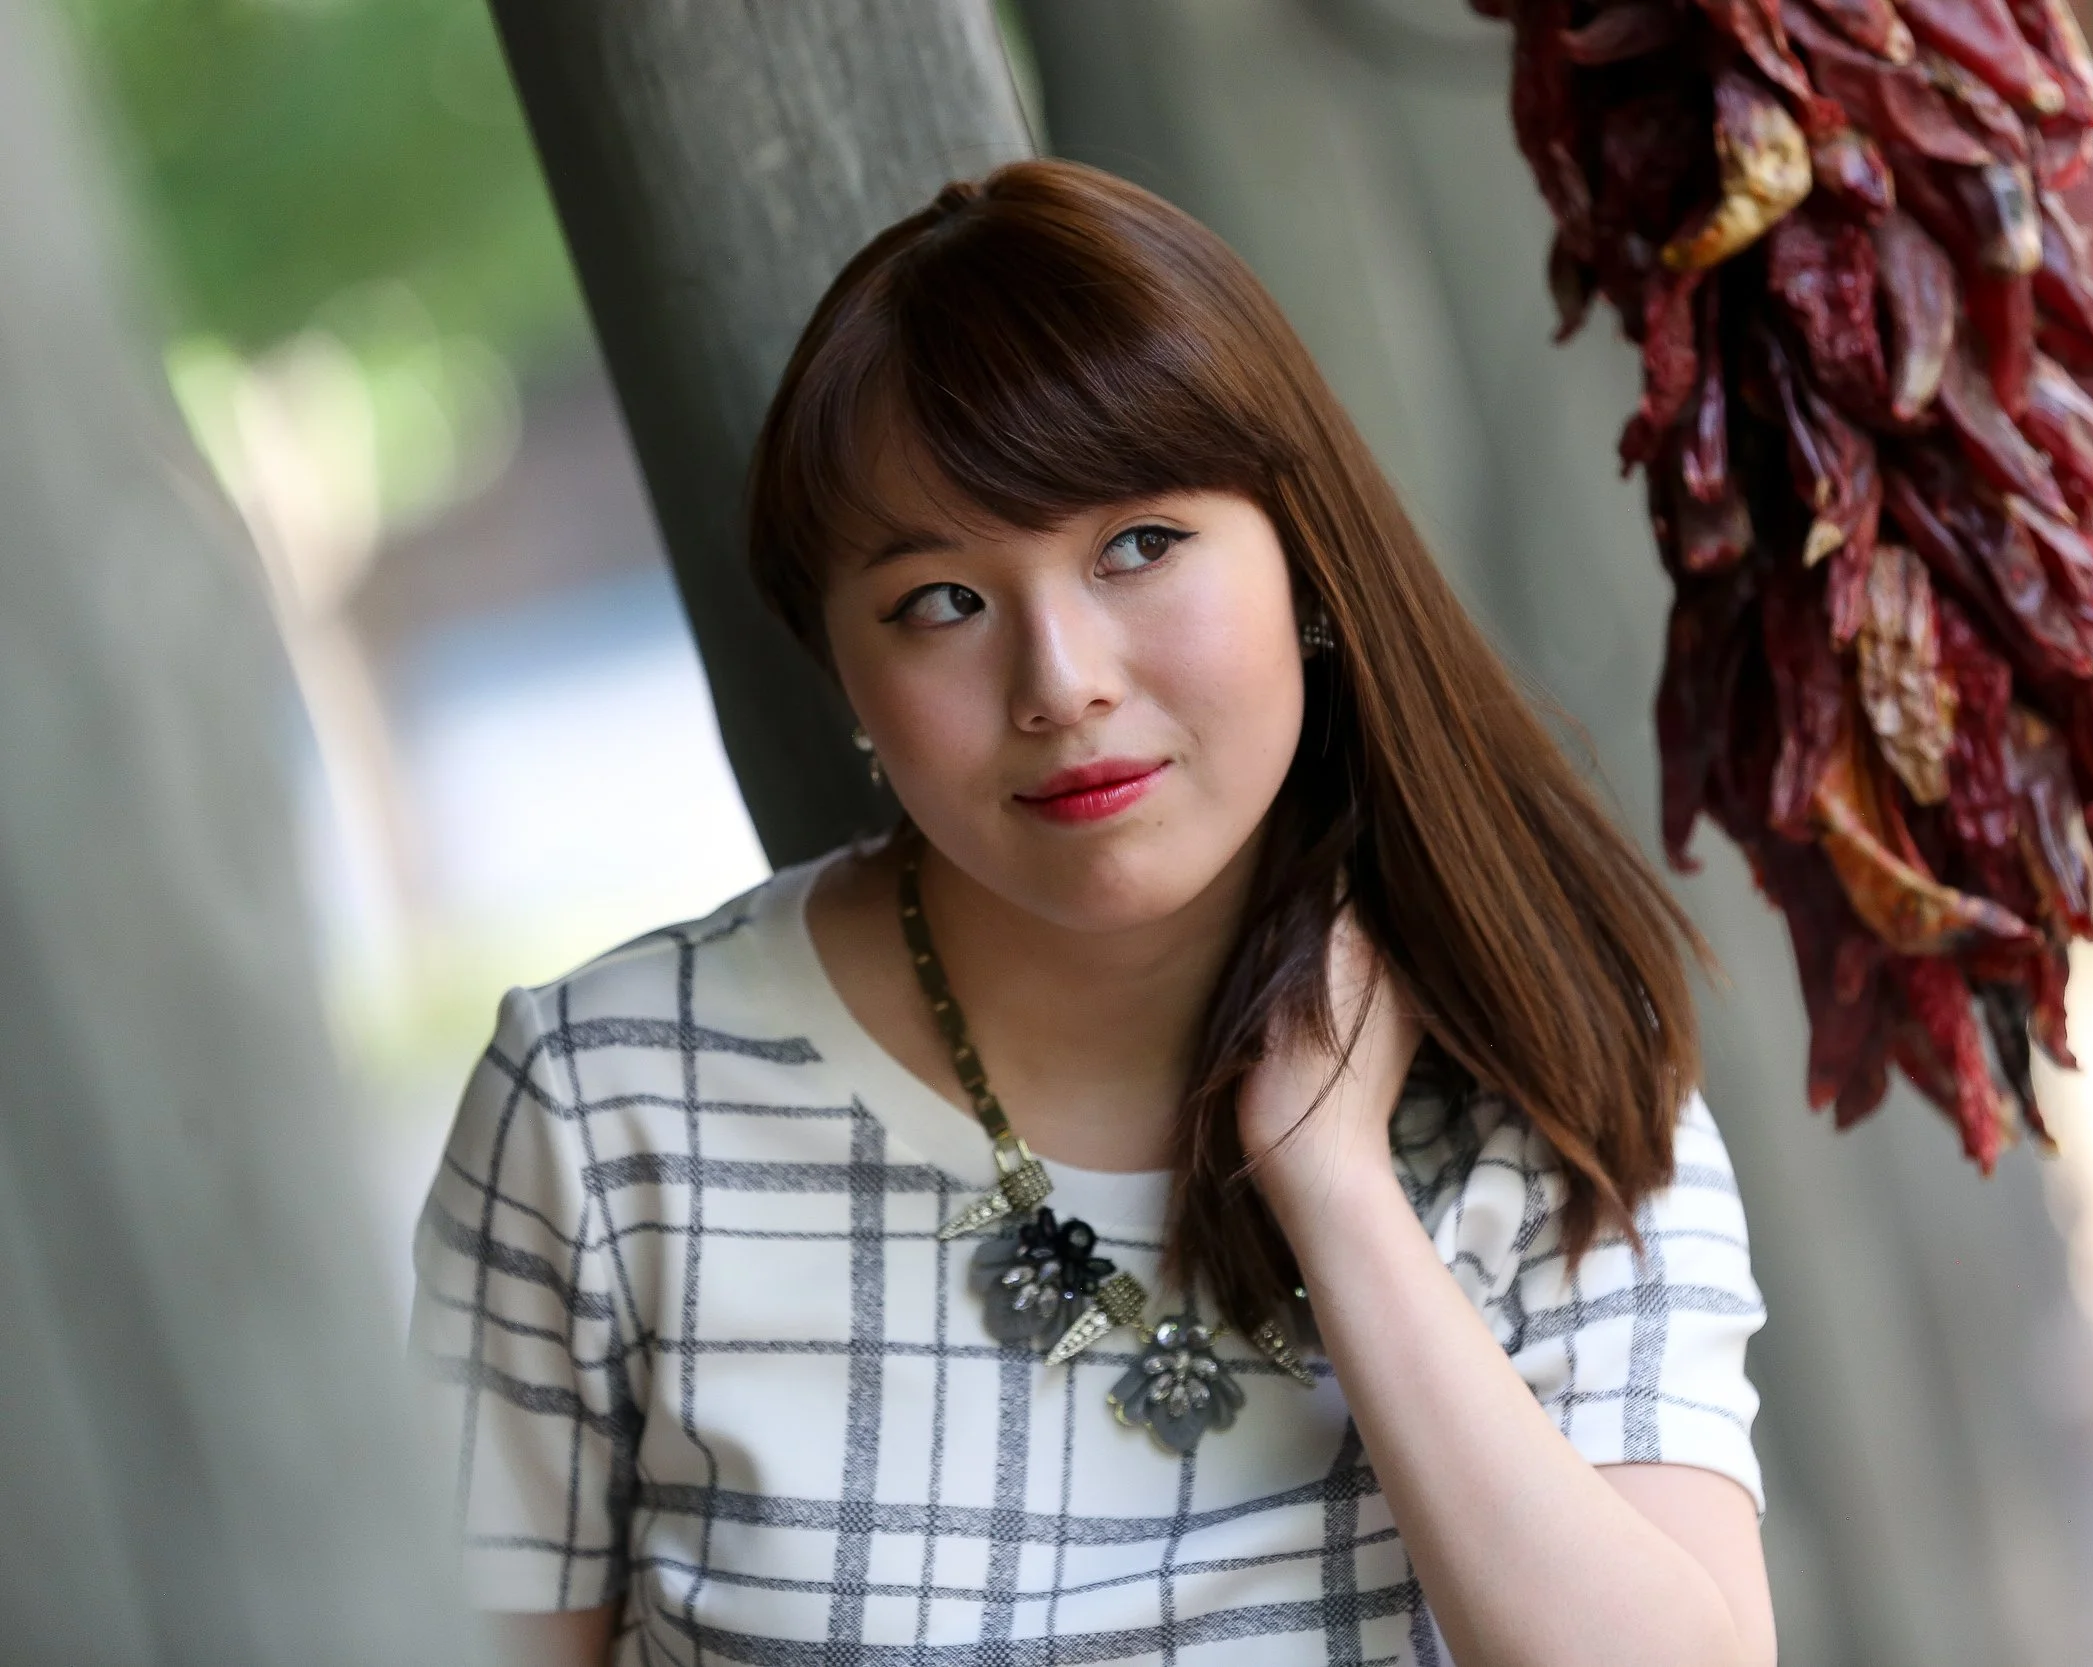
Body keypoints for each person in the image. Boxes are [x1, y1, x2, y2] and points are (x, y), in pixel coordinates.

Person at [411, 159, 1773, 1667]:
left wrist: (1333, 1186)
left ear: (1306, 562)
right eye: (942, 601)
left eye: (1138, 545)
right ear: (845, 672)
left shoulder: (1538, 1047)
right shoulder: (606, 1113)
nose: (1061, 684)